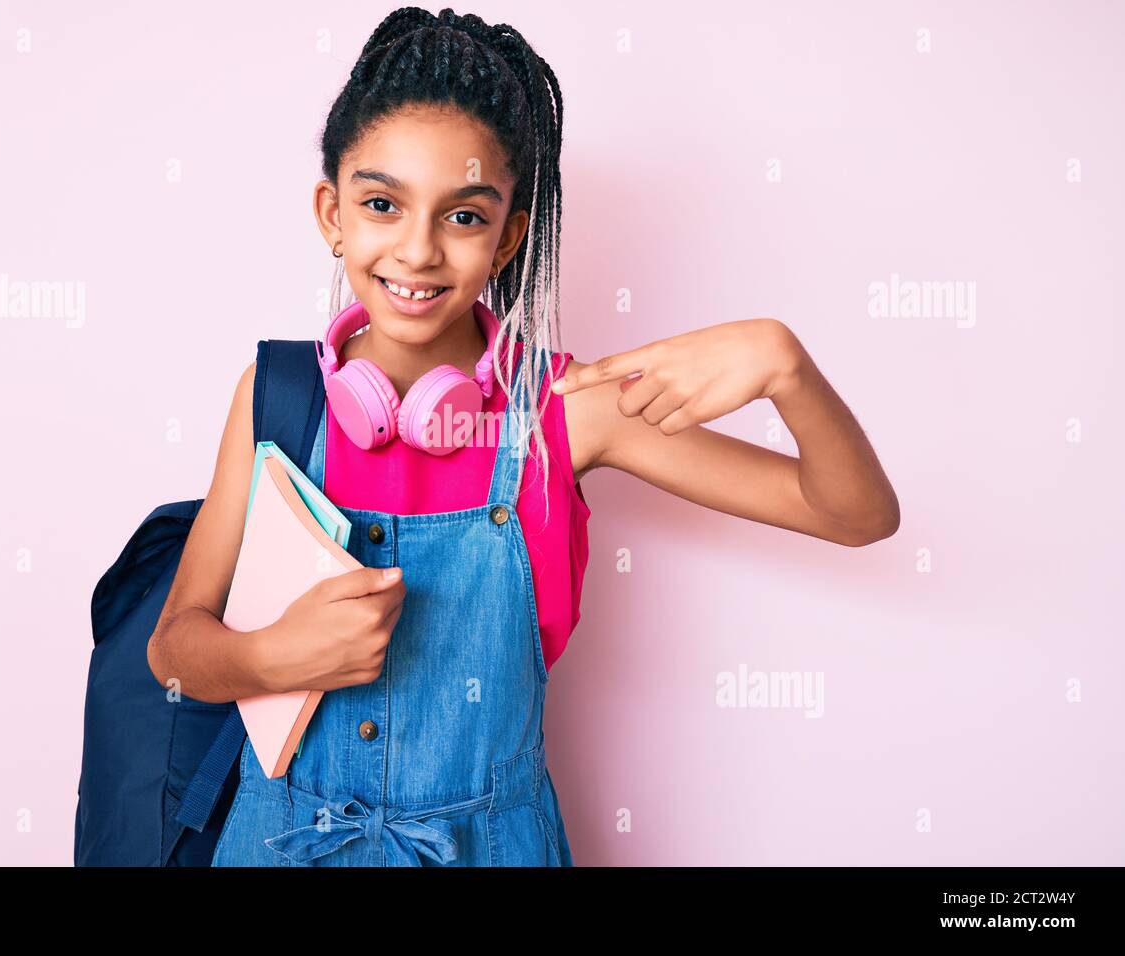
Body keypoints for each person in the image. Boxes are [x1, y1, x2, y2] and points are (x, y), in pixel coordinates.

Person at [146, 6, 900, 867]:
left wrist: (784, 364)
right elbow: (174, 652)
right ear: (333, 214)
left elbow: (855, 515)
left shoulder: (566, 410)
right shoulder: (276, 397)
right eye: (383, 204)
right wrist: (272, 656)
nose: (418, 251)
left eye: (463, 217)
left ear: (508, 235)